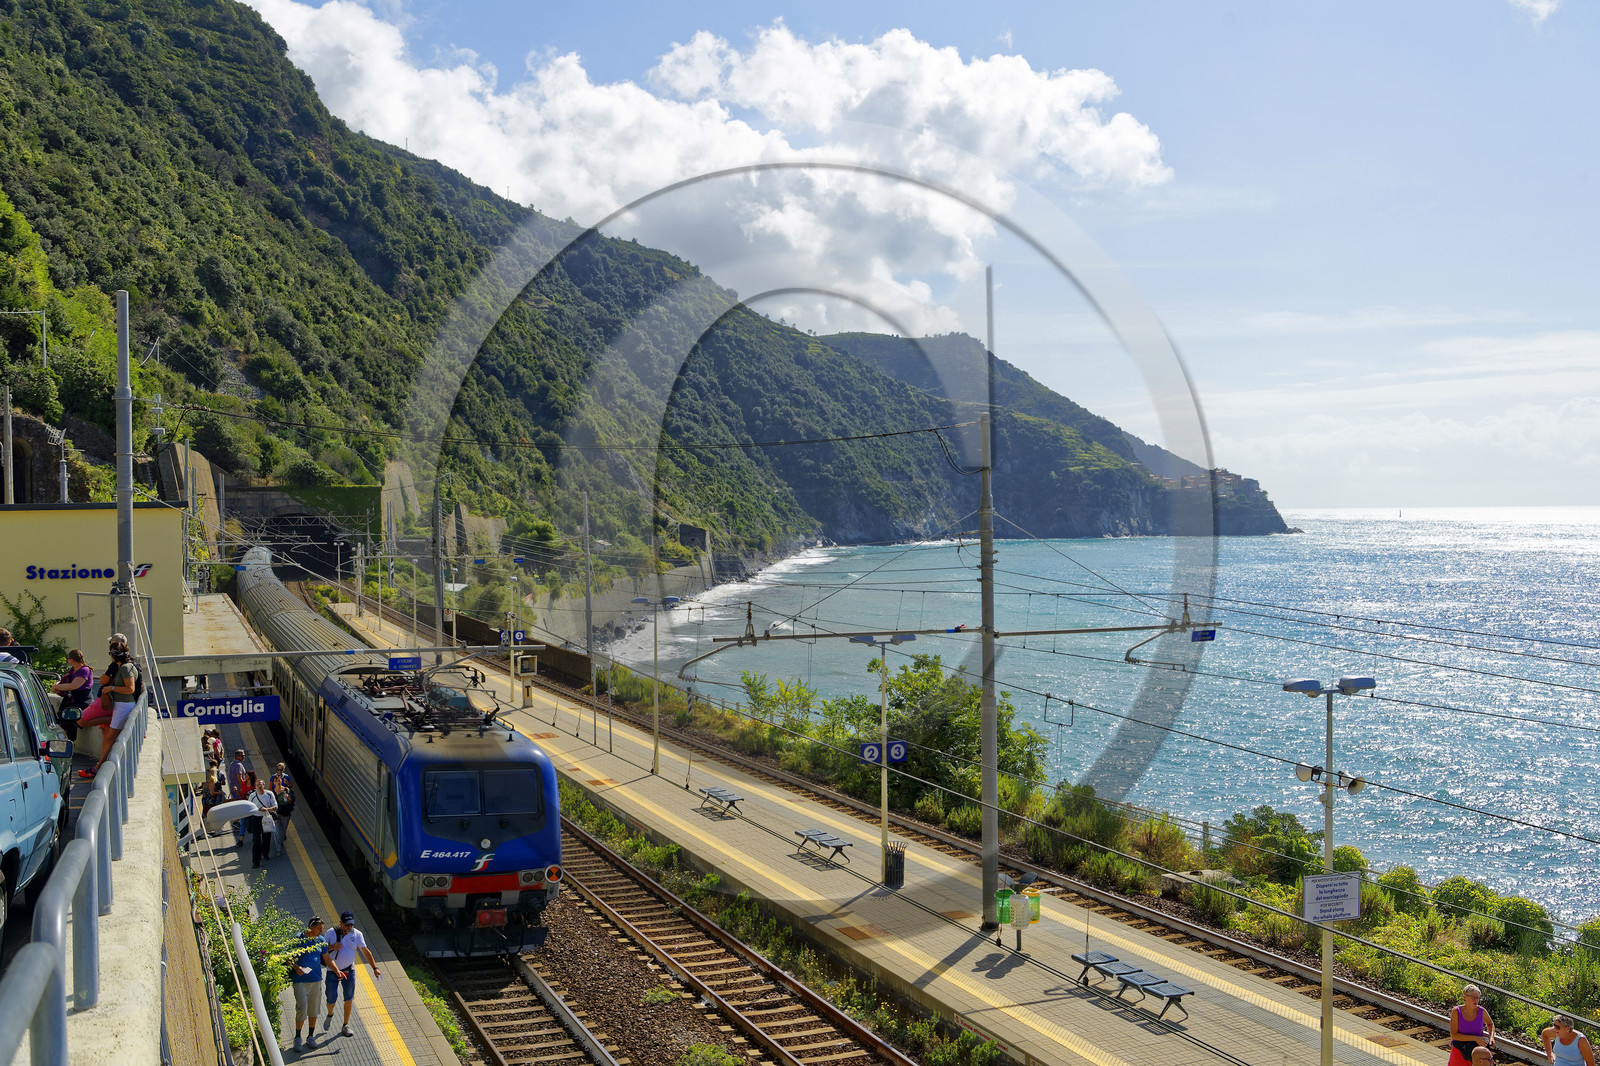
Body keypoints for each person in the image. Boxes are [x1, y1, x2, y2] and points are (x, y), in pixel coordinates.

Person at [80, 634, 141, 780]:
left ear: (113, 655)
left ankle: (98, 767)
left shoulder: (125, 668)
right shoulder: (125, 666)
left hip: (124, 706)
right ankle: (100, 766)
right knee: (110, 737)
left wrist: (111, 688)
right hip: (122, 705)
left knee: (110, 738)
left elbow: (130, 689)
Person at [323, 911, 382, 1037]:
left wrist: (375, 968)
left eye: (351, 924)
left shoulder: (357, 934)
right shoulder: (331, 933)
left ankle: (345, 1025)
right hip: (333, 971)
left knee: (349, 998)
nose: (349, 927)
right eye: (347, 925)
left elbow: (365, 951)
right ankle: (330, 1014)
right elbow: (321, 950)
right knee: (331, 999)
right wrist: (332, 947)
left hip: (349, 971)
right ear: (341, 923)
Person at [289, 916, 336, 1052]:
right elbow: (288, 957)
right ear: (311, 928)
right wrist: (296, 967)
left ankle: (310, 1036)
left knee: (313, 1009)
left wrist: (337, 971)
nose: (321, 931)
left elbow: (327, 959)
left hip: (316, 980)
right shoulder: (298, 939)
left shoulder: (320, 940)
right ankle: (298, 1037)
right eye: (319, 928)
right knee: (302, 1009)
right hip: (300, 981)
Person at [51, 649, 94, 742]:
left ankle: (70, 744)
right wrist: (57, 686)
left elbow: (74, 685)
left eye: (68, 658)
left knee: (71, 724)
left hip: (81, 701)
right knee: (62, 722)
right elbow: (66, 682)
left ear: (72, 659)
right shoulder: (73, 670)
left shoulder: (84, 670)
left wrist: (57, 686)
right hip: (70, 701)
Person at [1450, 984, 1496, 1066]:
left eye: (1477, 998)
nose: (1476, 1000)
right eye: (1473, 997)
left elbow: (1490, 1024)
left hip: (1477, 1053)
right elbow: (1454, 1035)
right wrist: (1475, 1038)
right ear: (1464, 997)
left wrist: (1491, 1037)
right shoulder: (1456, 1011)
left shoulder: (1482, 1011)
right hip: (1459, 1049)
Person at [248, 775, 277, 869]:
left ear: (264, 785)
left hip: (266, 818)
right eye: (257, 785)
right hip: (256, 819)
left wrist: (267, 809)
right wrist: (258, 810)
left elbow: (275, 806)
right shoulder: (252, 796)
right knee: (256, 840)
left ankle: (265, 853)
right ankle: (256, 861)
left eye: (260, 785)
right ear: (255, 786)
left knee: (267, 838)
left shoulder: (269, 794)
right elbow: (249, 808)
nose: (259, 787)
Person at [269, 763, 295, 858]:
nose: (278, 781)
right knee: (278, 832)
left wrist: (288, 798)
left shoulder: (286, 790)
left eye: (279, 780)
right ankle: (278, 848)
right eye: (276, 781)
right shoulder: (271, 793)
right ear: (274, 782)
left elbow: (291, 801)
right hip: (276, 814)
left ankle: (279, 842)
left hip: (285, 814)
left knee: (282, 832)